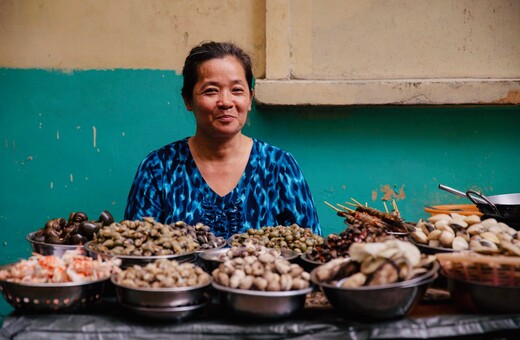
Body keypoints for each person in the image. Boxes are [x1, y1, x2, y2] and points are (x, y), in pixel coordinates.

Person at [124, 41, 321, 239]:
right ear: (187, 99)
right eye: (211, 91)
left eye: (237, 90)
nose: (226, 102)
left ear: (250, 98)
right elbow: (135, 252)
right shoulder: (158, 168)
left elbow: (310, 248)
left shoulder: (279, 167)